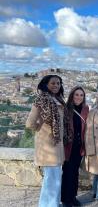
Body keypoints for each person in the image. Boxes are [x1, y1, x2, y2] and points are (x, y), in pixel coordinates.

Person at [26, 75, 68, 207]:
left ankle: (53, 203)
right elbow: (29, 123)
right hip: (48, 146)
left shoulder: (58, 99)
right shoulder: (41, 99)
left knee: (55, 177)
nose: (56, 85)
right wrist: (41, 126)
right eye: (53, 83)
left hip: (57, 144)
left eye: (58, 83)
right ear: (46, 84)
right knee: (51, 179)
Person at [61, 86, 89, 207]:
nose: (79, 97)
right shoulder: (66, 109)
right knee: (67, 173)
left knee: (75, 173)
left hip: (79, 146)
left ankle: (73, 197)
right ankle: (65, 199)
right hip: (68, 146)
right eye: (76, 95)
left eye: (81, 95)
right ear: (72, 95)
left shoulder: (85, 109)